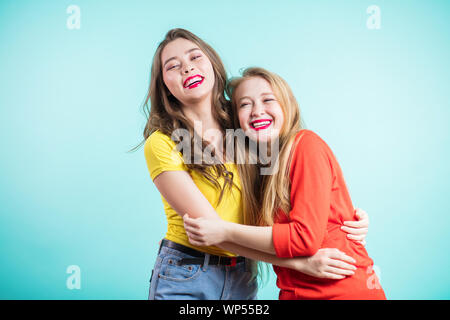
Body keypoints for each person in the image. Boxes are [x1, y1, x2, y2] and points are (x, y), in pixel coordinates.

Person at [140, 29, 370, 300]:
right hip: (188, 273)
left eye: (195, 57)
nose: (187, 68)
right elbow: (213, 231)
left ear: (213, 65)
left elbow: (284, 195)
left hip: (240, 274)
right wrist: (301, 264)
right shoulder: (162, 142)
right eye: (173, 66)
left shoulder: (246, 125)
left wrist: (343, 217)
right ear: (164, 84)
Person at [183, 67, 386, 300]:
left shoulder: (306, 145)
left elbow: (303, 239)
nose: (257, 111)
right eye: (245, 104)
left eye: (268, 100)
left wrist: (224, 231)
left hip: (342, 291)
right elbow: (251, 239)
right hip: (295, 292)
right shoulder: (258, 170)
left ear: (287, 106)